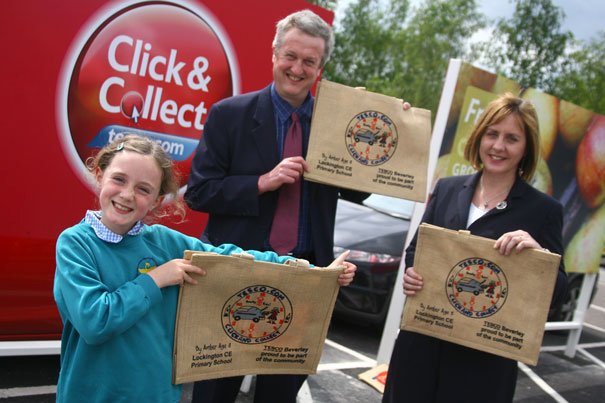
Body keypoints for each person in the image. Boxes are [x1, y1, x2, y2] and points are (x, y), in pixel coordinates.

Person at [185, 9, 411, 403]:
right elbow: (199, 192)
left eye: (309, 61)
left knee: (280, 392)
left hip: (307, 275)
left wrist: (394, 125)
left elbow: (361, 189)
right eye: (290, 56)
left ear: (320, 67)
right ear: (274, 55)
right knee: (214, 389)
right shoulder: (230, 115)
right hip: (237, 268)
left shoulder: (336, 125)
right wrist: (262, 182)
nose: (297, 68)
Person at [53, 135, 356, 403]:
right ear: (99, 175)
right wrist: (156, 279)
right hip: (91, 394)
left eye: (143, 189)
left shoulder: (163, 242)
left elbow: (230, 258)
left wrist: (304, 269)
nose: (128, 194)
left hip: (155, 395)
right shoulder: (75, 243)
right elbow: (95, 321)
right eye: (119, 179)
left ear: (157, 201)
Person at [382, 93, 568, 403]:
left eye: (512, 138)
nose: (498, 146)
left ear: (526, 148)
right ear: (480, 136)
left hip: (483, 363)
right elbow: (417, 249)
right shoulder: (447, 188)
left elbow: (559, 292)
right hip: (421, 346)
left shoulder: (543, 211)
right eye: (492, 134)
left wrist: (540, 255)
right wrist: (413, 272)